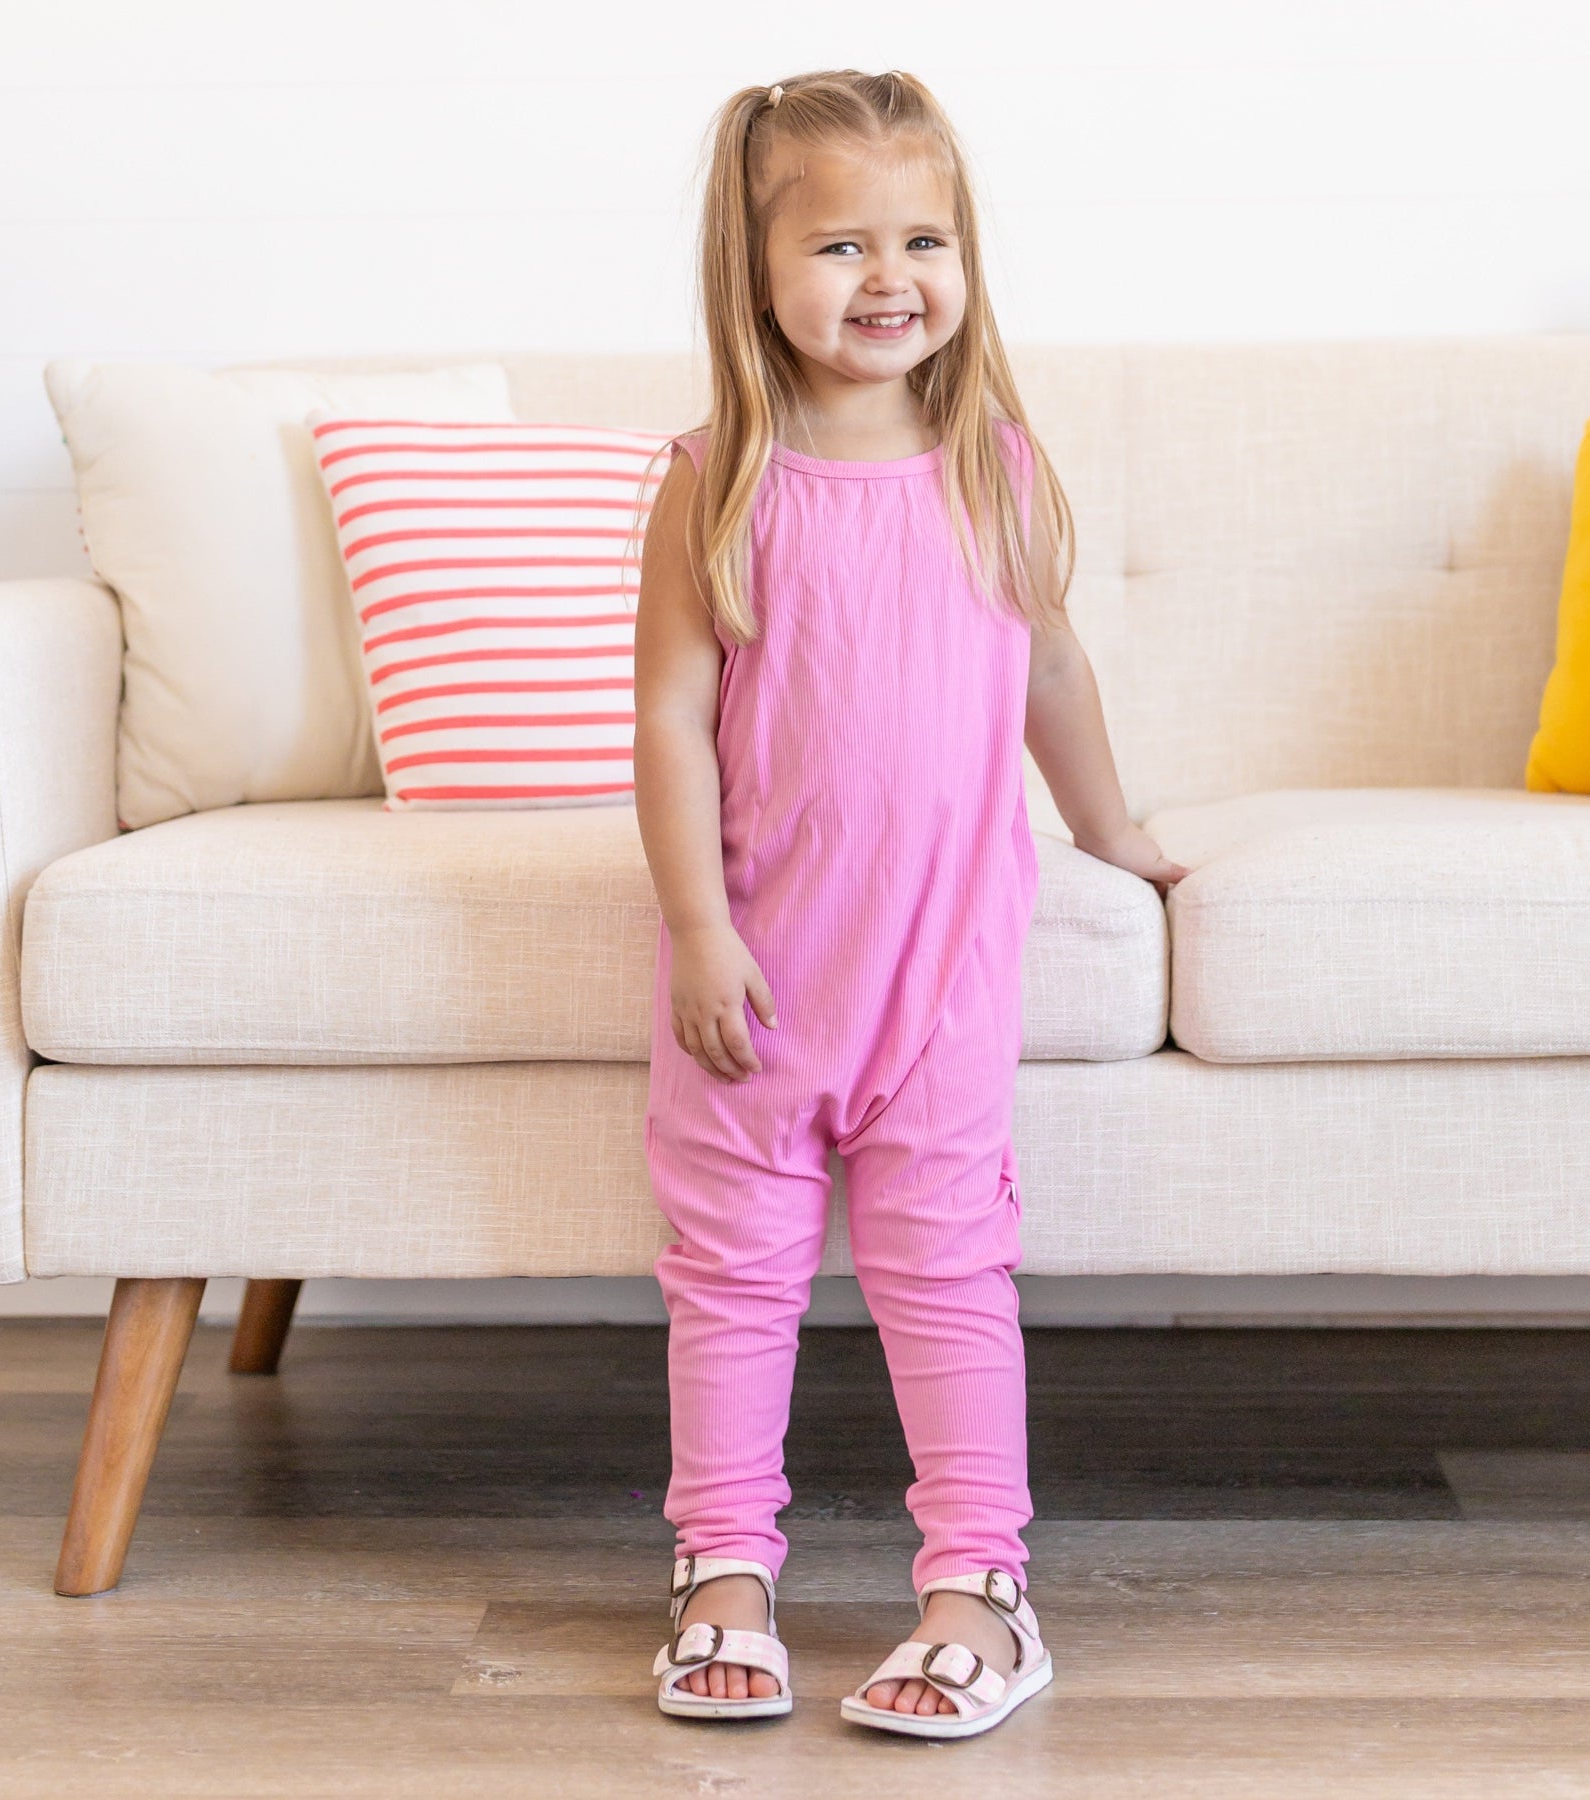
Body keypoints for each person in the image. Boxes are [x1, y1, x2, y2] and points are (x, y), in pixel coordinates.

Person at [633, 67, 1188, 1739]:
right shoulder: (713, 475)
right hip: (758, 977)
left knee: (947, 1279)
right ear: (755, 268)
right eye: (841, 242)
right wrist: (699, 931)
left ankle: (980, 1591)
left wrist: (1113, 827)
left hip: (940, 982)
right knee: (730, 1280)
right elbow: (663, 719)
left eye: (924, 237)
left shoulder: (990, 465)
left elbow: (1053, 673)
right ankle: (722, 1566)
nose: (891, 275)